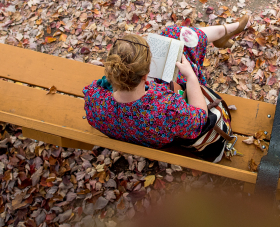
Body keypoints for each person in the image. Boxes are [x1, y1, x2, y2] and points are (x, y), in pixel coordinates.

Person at [82, 16, 250, 154]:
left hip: (132, 131)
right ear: (146, 74)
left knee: (170, 34)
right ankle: (223, 32)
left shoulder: (94, 99)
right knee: (176, 38)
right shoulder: (168, 109)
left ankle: (222, 32)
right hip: (161, 139)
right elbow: (201, 120)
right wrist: (191, 77)